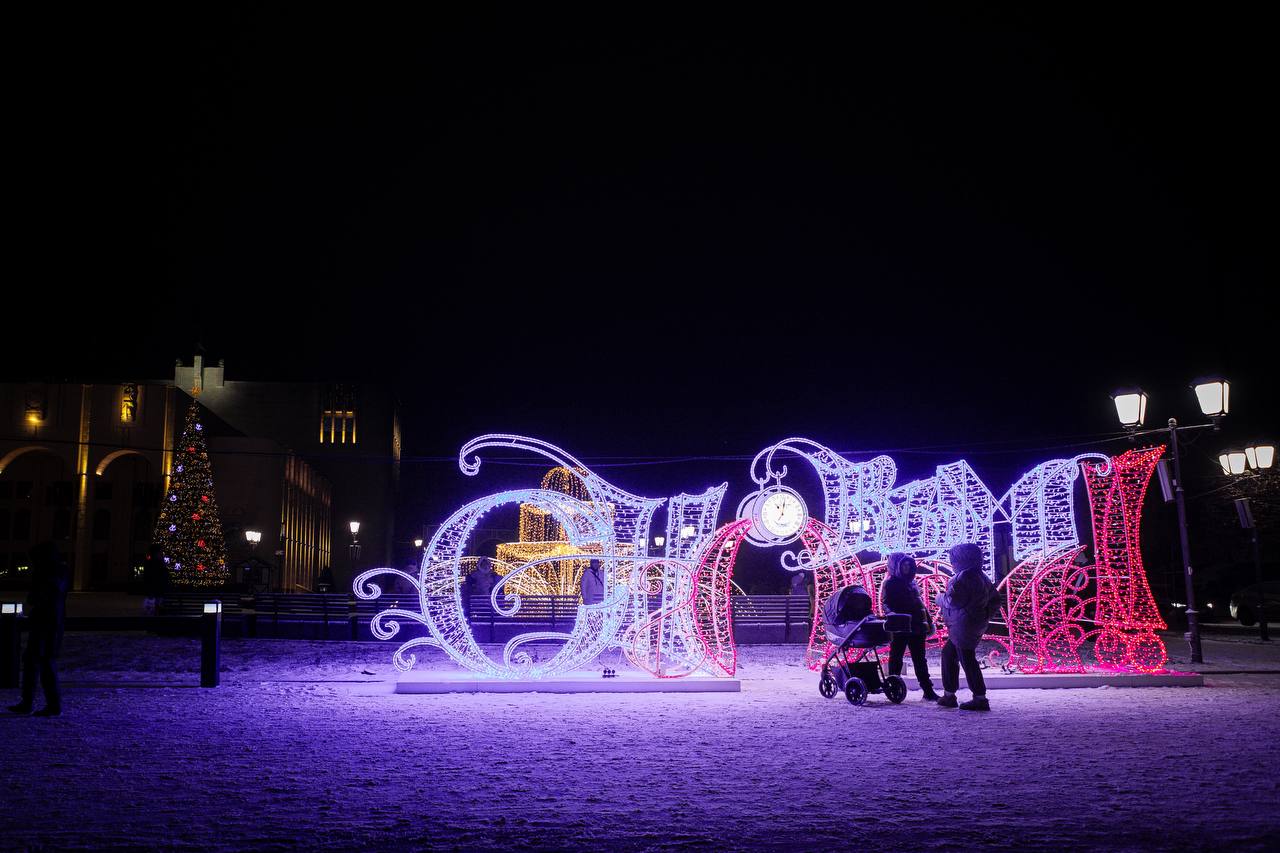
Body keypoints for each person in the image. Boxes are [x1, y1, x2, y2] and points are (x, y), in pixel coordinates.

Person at [935, 542, 1001, 711]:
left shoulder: (963, 577)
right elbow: (996, 599)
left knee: (966, 658)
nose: (952, 564)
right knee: (949, 654)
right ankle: (950, 694)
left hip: (961, 624)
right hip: (971, 624)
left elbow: (953, 601)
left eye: (954, 560)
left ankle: (979, 697)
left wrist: (940, 598)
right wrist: (985, 615)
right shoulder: (982, 576)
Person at [8, 541, 70, 717]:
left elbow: (37, 597)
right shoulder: (58, 571)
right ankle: (38, 703)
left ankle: (46, 704)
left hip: (46, 623)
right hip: (50, 622)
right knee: (37, 662)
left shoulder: (48, 573)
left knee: (41, 662)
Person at [879, 553, 940, 702]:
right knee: (896, 657)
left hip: (917, 625)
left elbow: (920, 605)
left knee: (920, 659)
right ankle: (894, 687)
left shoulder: (911, 583)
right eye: (903, 565)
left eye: (908, 565)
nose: (907, 567)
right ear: (897, 566)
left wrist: (928, 621)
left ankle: (927, 689)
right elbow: (886, 603)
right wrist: (893, 615)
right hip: (901, 625)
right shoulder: (890, 583)